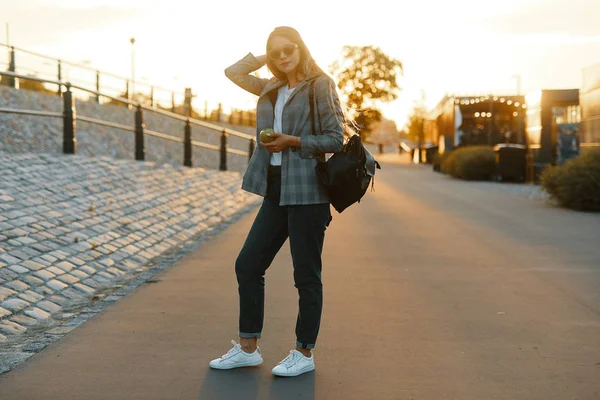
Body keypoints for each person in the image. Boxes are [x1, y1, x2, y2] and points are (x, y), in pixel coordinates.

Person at [209, 26, 347, 377]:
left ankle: (304, 352)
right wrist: (262, 57)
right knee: (248, 265)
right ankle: (248, 348)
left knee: (306, 275)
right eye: (276, 53)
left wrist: (292, 141)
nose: (283, 56)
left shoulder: (320, 84)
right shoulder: (272, 86)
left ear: (301, 47)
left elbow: (336, 138)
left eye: (289, 49)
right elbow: (233, 72)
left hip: (308, 194)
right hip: (275, 191)